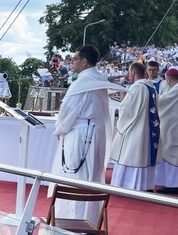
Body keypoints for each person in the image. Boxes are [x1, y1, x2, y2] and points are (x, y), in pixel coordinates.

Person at [50, 45, 124, 221]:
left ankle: (75, 221)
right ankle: (91, 220)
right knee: (92, 177)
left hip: (81, 136)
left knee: (77, 177)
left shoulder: (82, 83)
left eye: (75, 59)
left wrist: (60, 129)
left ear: (84, 61)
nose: (72, 62)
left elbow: (67, 111)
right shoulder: (99, 78)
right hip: (95, 135)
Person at [110, 61, 160, 191]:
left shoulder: (137, 88)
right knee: (142, 156)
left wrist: (123, 100)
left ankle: (129, 184)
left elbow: (128, 110)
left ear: (133, 72)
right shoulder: (151, 87)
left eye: (129, 72)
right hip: (148, 130)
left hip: (136, 130)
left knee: (131, 155)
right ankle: (145, 185)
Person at [156, 68, 178, 193]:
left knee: (172, 153)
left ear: (168, 79)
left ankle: (173, 184)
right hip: (173, 124)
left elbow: (161, 101)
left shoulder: (175, 89)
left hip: (173, 126)